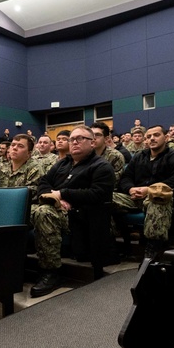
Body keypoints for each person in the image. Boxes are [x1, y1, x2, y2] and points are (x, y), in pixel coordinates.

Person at [29, 126, 115, 297]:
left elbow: (98, 194)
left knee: (44, 213)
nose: (74, 142)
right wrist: (56, 198)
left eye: (80, 138)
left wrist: (64, 193)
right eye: (72, 139)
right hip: (57, 207)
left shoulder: (101, 166)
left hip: (81, 216)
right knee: (21, 209)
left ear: (92, 143)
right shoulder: (63, 163)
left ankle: (51, 271)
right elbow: (44, 182)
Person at [113, 124, 174, 257]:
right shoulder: (139, 156)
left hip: (161, 198)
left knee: (158, 199)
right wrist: (131, 188)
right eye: (148, 136)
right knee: (106, 198)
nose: (152, 139)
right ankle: (112, 242)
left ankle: (152, 250)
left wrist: (149, 189)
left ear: (166, 137)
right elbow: (126, 177)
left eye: (156, 135)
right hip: (136, 197)